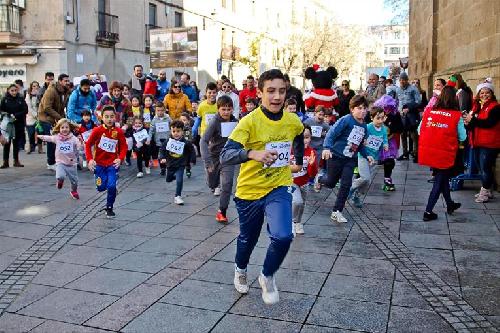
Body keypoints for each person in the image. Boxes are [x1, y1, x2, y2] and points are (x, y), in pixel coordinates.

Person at [220, 69, 304, 304]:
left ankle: (267, 275)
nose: (277, 97)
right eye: (271, 91)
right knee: (248, 238)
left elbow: (298, 134)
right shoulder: (249, 122)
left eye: (281, 91)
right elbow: (225, 155)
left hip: (279, 185)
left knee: (283, 236)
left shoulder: (292, 119)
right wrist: (253, 153)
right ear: (259, 93)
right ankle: (240, 268)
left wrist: (297, 158)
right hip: (249, 191)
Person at [319, 95, 374, 223]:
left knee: (346, 184)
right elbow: (332, 133)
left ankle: (337, 211)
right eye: (359, 108)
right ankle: (320, 178)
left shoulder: (364, 127)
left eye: (364, 108)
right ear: (352, 109)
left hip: (350, 159)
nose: (362, 111)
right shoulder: (346, 120)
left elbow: (359, 145)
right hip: (336, 156)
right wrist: (326, 147)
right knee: (330, 182)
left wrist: (367, 155)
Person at [419, 86, 465, 220]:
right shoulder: (457, 115)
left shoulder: (429, 112)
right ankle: (428, 212)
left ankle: (450, 204)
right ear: (454, 99)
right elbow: (462, 137)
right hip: (445, 153)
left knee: (442, 178)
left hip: (429, 150)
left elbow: (419, 130)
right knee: (439, 181)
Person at [85, 105, 127, 218]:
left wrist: (120, 158)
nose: (109, 119)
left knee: (111, 187)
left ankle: (109, 207)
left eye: (112, 116)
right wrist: (89, 160)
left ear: (115, 118)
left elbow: (124, 147)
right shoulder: (97, 130)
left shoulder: (118, 131)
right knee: (101, 188)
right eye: (107, 117)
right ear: (102, 118)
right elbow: (88, 144)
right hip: (99, 164)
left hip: (112, 164)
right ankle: (106, 183)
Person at [201, 95, 238, 223]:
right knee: (212, 183)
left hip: (228, 157)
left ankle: (222, 211)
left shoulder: (235, 121)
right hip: (214, 156)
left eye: (229, 109)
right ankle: (212, 182)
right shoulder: (215, 122)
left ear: (232, 109)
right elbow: (203, 141)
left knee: (227, 184)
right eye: (223, 109)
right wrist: (207, 161)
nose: (226, 112)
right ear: (218, 110)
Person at [464, 78, 499, 203]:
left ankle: (484, 192)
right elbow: (471, 124)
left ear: (492, 93)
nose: (484, 95)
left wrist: (472, 120)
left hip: (490, 143)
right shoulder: (477, 107)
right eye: (482, 93)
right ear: (478, 95)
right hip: (477, 142)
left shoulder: (495, 107)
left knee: (485, 168)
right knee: (481, 167)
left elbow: (489, 123)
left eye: (487, 92)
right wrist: (467, 122)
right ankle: (487, 190)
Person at [348, 107, 388, 207]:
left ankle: (357, 196)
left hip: (374, 158)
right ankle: (350, 188)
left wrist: (385, 144)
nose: (380, 121)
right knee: (365, 178)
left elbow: (385, 138)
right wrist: (363, 142)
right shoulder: (368, 127)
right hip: (364, 156)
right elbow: (361, 139)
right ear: (371, 118)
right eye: (378, 118)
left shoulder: (383, 128)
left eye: (382, 118)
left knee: (368, 181)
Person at [38, 118, 82, 199]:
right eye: (62, 128)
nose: (64, 129)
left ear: (70, 128)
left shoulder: (73, 138)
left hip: (71, 163)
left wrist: (80, 146)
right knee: (60, 176)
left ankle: (73, 191)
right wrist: (41, 136)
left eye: (66, 127)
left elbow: (78, 144)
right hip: (60, 162)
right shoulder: (57, 138)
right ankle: (60, 181)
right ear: (59, 128)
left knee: (74, 181)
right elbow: (50, 138)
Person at [38, 73, 71, 170]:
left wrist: (64, 119)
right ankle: (50, 163)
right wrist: (60, 118)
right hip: (45, 118)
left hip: (56, 119)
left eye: (68, 80)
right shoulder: (51, 90)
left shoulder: (65, 91)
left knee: (60, 140)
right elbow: (47, 107)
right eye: (65, 81)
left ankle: (59, 161)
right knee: (52, 140)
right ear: (60, 81)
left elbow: (61, 107)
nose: (67, 82)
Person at [159, 120, 196, 205]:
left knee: (180, 180)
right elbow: (162, 149)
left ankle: (177, 196)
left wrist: (192, 160)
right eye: (174, 131)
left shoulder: (185, 142)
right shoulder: (168, 141)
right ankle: (173, 176)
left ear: (182, 131)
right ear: (171, 131)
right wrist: (162, 157)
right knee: (168, 179)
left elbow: (191, 150)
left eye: (178, 131)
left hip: (181, 164)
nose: (176, 133)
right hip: (170, 164)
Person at [291, 127, 318, 235]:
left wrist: (311, 164)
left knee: (302, 204)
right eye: (301, 138)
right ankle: (291, 222)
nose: (304, 141)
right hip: (291, 181)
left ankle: (298, 222)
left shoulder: (311, 152)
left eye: (307, 137)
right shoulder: (290, 150)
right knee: (297, 201)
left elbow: (312, 174)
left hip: (304, 182)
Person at [375, 95, 404, 191]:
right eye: (384, 107)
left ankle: (387, 180)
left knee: (390, 161)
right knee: (367, 159)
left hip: (390, 141)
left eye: (388, 107)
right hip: (376, 141)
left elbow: (400, 128)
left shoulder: (395, 115)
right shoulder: (376, 113)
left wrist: (391, 129)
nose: (386, 109)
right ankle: (359, 177)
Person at [0, 84, 28, 168]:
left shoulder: (20, 99)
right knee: (7, 143)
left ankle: (16, 161)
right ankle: (5, 162)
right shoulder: (4, 99)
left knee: (16, 144)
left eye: (15, 90)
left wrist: (15, 115)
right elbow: (1, 110)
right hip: (8, 124)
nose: (14, 92)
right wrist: (6, 114)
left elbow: (25, 110)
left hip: (18, 123)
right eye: (12, 90)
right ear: (8, 90)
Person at [396, 72, 422, 162]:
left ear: (407, 80)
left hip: (412, 115)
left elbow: (418, 101)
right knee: (402, 134)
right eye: (400, 80)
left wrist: (409, 108)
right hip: (402, 116)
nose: (402, 81)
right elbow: (397, 101)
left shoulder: (413, 89)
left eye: (404, 79)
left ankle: (416, 154)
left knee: (413, 135)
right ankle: (405, 153)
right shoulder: (398, 90)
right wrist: (397, 110)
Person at [148, 101, 171, 175]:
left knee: (168, 155)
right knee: (160, 156)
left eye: (162, 110)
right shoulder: (154, 120)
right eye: (158, 110)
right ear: (155, 111)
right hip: (158, 141)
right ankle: (162, 168)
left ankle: (168, 167)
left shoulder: (168, 118)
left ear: (164, 110)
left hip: (167, 139)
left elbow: (173, 126)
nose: (160, 112)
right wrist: (149, 139)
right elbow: (151, 130)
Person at [25, 81, 41, 154]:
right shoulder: (28, 95)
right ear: (31, 87)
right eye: (34, 86)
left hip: (40, 116)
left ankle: (40, 148)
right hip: (31, 117)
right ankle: (31, 147)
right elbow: (29, 107)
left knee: (40, 132)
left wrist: (39, 114)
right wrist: (35, 115)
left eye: (37, 86)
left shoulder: (40, 95)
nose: (35, 87)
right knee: (31, 133)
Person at [180, 112, 195, 178]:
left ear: (188, 121)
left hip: (187, 147)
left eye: (184, 120)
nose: (182, 122)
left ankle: (188, 169)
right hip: (180, 147)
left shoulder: (188, 128)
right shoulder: (178, 128)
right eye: (181, 120)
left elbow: (190, 138)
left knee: (187, 160)